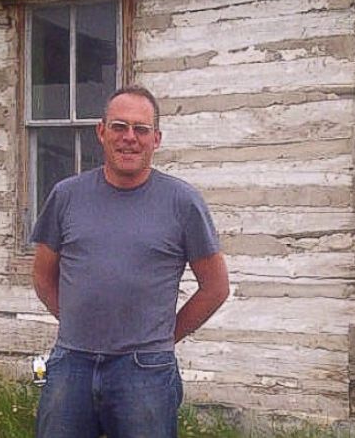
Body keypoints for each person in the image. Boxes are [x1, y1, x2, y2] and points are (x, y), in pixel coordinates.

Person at [31, 85, 230, 438]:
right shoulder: (66, 196)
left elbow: (215, 288)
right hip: (71, 362)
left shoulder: (182, 202)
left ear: (156, 139)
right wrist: (77, 320)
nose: (129, 138)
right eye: (120, 127)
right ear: (101, 131)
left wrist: (166, 338)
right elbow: (43, 275)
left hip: (146, 370)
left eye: (140, 129)